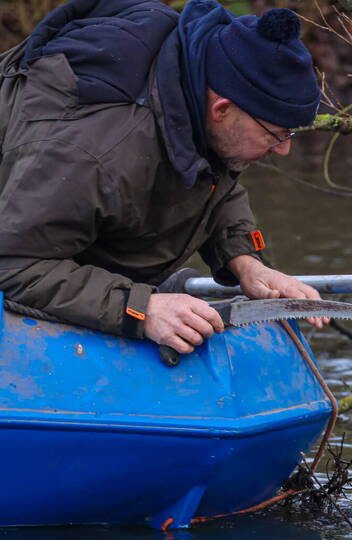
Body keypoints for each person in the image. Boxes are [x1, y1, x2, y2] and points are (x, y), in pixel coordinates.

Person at [0, 0, 326, 355]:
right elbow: (14, 263)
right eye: (276, 134)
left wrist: (244, 261)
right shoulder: (94, 155)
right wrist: (144, 308)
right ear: (222, 110)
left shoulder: (204, 77)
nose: (283, 150)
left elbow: (212, 174)